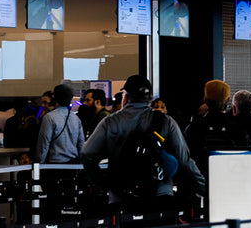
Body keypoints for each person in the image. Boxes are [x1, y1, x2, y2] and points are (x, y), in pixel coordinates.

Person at [79, 75, 203, 214]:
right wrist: (204, 189)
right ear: (149, 98)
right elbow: (184, 161)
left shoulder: (110, 122)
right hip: (160, 195)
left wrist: (102, 184)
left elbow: (86, 153)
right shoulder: (165, 121)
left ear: (126, 97)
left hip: (121, 197)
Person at [34, 83, 84, 164]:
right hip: (73, 164)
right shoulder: (76, 119)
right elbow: (81, 143)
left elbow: (44, 144)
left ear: (55, 98)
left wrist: (39, 163)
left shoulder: (49, 117)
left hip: (55, 164)